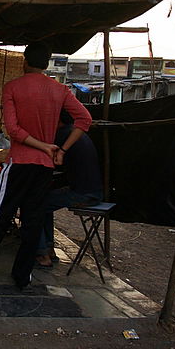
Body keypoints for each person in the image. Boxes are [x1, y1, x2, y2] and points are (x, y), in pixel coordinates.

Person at [0, 42, 92, 289]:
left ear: (25, 61)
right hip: (44, 167)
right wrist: (60, 149)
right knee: (32, 220)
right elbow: (85, 119)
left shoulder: (13, 88)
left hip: (19, 163)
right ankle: (23, 275)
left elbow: (14, 131)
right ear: (47, 63)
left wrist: (42, 146)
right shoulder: (60, 90)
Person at [35, 112, 103, 268]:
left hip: (83, 194)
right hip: (92, 191)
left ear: (56, 119)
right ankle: (49, 248)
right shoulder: (76, 133)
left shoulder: (63, 135)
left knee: (33, 204)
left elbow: (48, 161)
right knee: (44, 202)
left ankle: (42, 254)